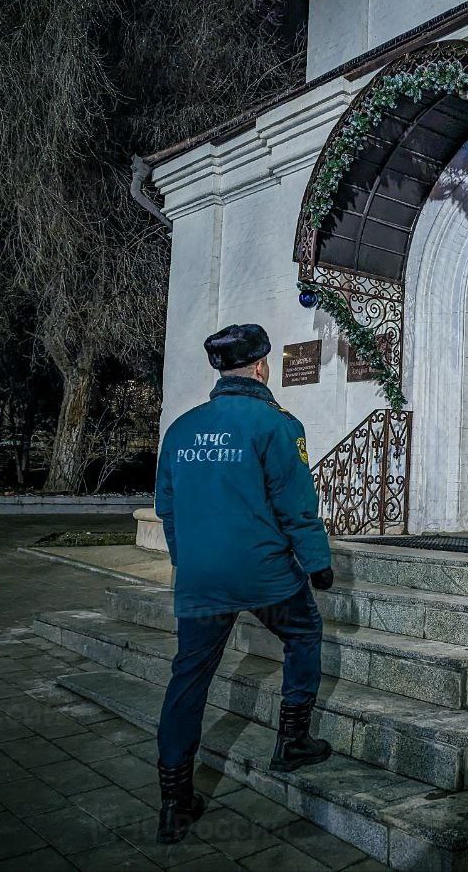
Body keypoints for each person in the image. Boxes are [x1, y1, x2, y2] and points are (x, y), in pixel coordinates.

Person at [151, 323, 334, 845]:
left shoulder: (182, 428)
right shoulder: (277, 425)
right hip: (263, 572)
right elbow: (295, 503)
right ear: (260, 367)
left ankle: (173, 802)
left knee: (188, 681)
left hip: (202, 578)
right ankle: (293, 740)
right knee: (304, 634)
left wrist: (190, 561)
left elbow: (168, 508)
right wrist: (316, 561)